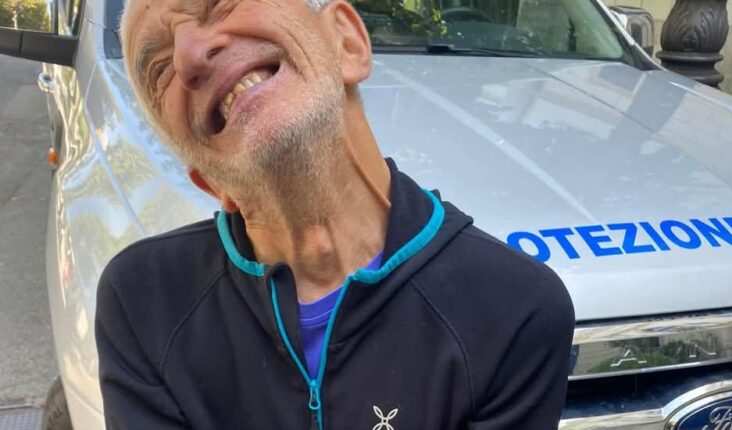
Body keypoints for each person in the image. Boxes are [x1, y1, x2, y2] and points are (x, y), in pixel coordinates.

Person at [95, 0, 575, 428]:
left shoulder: (512, 307)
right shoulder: (143, 302)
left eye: (220, 4)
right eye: (159, 70)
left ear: (347, 41)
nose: (189, 56)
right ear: (209, 179)